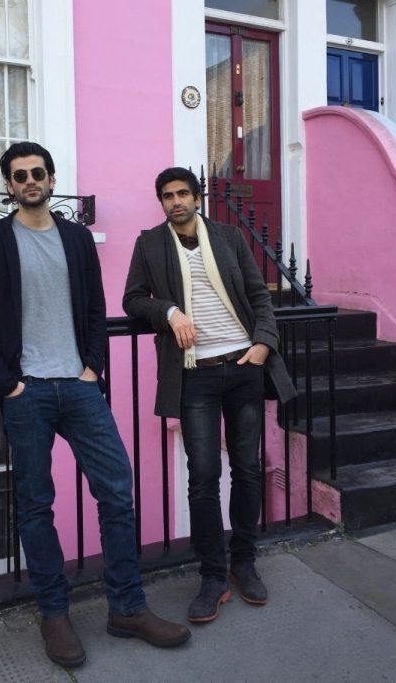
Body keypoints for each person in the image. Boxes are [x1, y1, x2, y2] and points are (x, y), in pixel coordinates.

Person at [0, 143, 190, 668]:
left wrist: (93, 367)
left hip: (80, 386)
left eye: (37, 173)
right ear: (8, 185)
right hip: (28, 392)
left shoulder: (76, 237)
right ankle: (54, 613)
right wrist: (8, 383)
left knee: (116, 490)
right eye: (19, 175)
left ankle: (127, 608)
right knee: (36, 503)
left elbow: (94, 308)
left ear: (51, 178)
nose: (30, 181)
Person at [122, 167, 296, 624]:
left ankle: (244, 563)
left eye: (183, 193)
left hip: (243, 367)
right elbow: (133, 299)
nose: (176, 201)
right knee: (202, 476)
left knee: (247, 468)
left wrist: (263, 343)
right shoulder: (150, 244)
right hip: (194, 375)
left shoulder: (229, 237)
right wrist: (169, 311)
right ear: (161, 202)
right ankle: (213, 576)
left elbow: (259, 296)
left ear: (197, 197)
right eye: (167, 196)